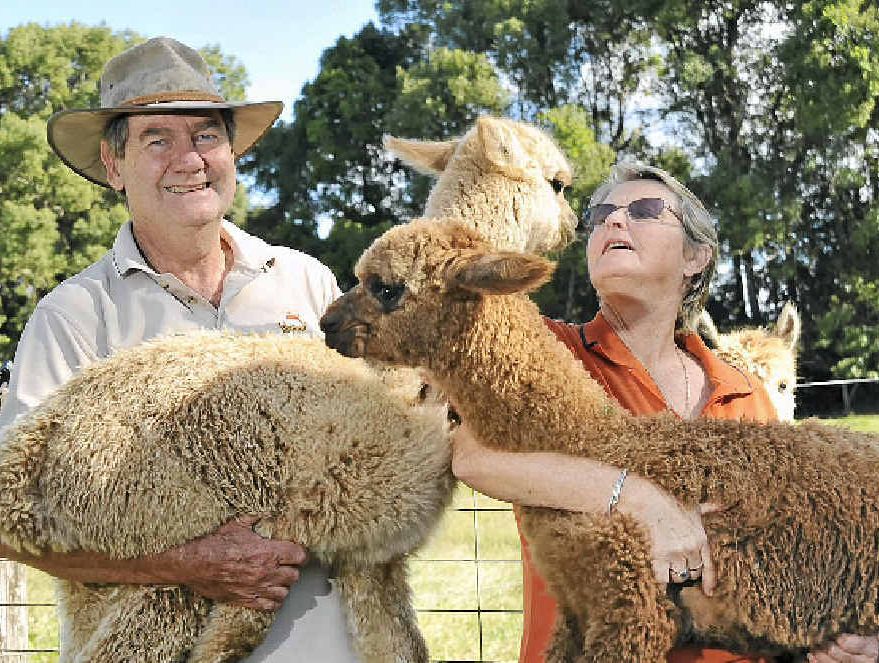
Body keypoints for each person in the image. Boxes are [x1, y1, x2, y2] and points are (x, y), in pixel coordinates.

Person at [0, 37, 360, 662]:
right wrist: (188, 563)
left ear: (233, 152)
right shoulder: (77, 316)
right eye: (156, 139)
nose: (188, 158)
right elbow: (9, 517)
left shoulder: (307, 283)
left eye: (206, 135)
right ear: (114, 167)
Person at [450, 163, 879, 663]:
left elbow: (796, 559)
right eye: (602, 214)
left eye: (645, 211)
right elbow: (472, 455)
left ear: (695, 256)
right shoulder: (550, 355)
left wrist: (848, 643)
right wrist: (636, 500)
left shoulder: (743, 394)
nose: (613, 221)